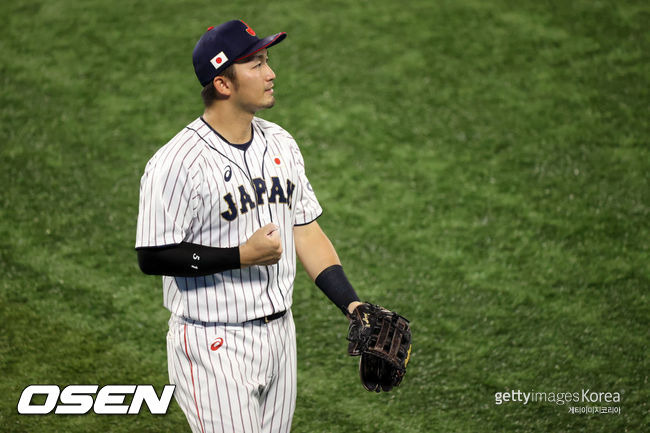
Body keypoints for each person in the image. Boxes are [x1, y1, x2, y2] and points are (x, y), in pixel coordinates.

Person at [135, 20, 363, 433]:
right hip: (212, 344)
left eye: (266, 60)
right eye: (256, 64)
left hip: (280, 338)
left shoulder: (281, 143)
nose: (271, 73)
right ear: (223, 84)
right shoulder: (175, 163)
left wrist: (352, 304)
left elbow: (305, 230)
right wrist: (242, 256)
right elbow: (153, 256)